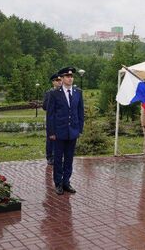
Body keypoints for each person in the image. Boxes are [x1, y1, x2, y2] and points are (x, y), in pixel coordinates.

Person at [46, 67, 85, 195]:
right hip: (59, 132)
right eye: (67, 76)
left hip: (72, 131)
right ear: (61, 79)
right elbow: (50, 114)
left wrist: (79, 129)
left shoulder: (78, 92)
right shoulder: (54, 93)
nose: (70, 78)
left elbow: (80, 112)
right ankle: (58, 183)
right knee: (58, 159)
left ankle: (66, 182)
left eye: (71, 76)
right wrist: (51, 132)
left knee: (69, 159)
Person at [42, 73, 62, 165]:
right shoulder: (49, 93)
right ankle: (50, 157)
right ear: (53, 82)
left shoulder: (63, 92)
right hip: (52, 119)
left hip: (61, 119)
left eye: (60, 80)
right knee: (51, 138)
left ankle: (58, 156)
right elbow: (45, 106)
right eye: (57, 81)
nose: (59, 82)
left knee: (60, 138)